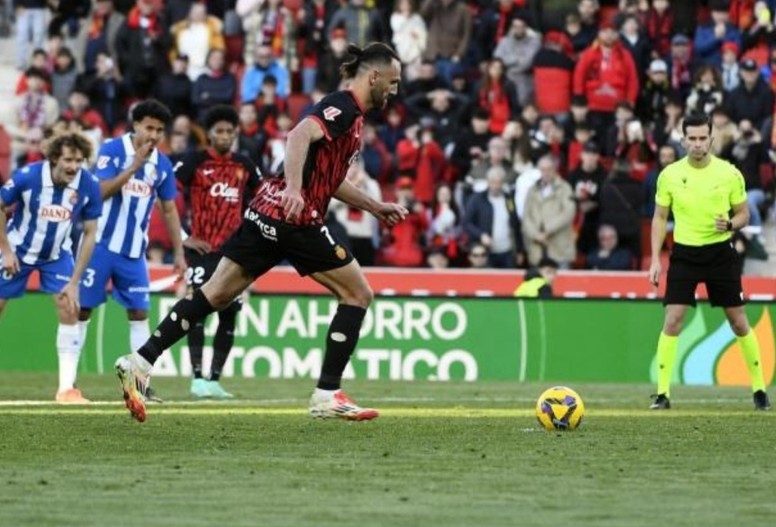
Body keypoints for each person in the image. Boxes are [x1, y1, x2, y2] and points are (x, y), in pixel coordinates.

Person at [115, 42, 407, 423]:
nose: (395, 90)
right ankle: (327, 393)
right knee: (357, 293)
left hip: (264, 214)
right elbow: (298, 136)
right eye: (393, 82)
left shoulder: (352, 116)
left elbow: (329, 180)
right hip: (293, 219)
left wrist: (375, 205)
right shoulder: (345, 106)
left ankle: (140, 360)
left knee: (214, 294)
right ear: (374, 77)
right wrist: (293, 189)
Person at [648, 112, 771, 411]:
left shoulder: (729, 173)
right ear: (683, 140)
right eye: (692, 138)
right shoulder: (670, 175)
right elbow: (660, 217)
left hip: (720, 253)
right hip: (685, 253)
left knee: (738, 322)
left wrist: (730, 225)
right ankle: (662, 394)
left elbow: (743, 213)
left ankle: (759, 390)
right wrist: (655, 259)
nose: (698, 144)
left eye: (703, 138)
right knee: (673, 319)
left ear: (712, 139)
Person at [78, 99, 187, 403]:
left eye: (159, 130)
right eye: (149, 127)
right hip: (99, 245)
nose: (153, 135)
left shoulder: (162, 165)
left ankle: (139, 385)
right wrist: (133, 167)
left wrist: (179, 252)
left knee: (140, 312)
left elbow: (169, 209)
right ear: (136, 125)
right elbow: (98, 192)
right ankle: (69, 384)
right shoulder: (113, 150)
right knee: (82, 310)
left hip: (133, 252)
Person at [0, 133, 101, 402]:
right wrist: (6, 251)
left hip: (57, 255)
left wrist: (75, 281)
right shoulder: (28, 176)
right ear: (55, 157)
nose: (73, 166)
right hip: (18, 251)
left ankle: (67, 389)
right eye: (68, 159)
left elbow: (91, 233)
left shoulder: (88, 184)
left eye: (79, 161)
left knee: (70, 307)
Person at [175, 105, 262, 399]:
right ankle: (197, 378)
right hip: (202, 251)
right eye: (219, 131)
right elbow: (168, 196)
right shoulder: (194, 162)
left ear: (236, 134)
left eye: (229, 131)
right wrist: (184, 237)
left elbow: (263, 199)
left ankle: (214, 379)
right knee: (197, 310)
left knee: (229, 314)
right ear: (209, 134)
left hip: (234, 253)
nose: (225, 136)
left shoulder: (245, 165)